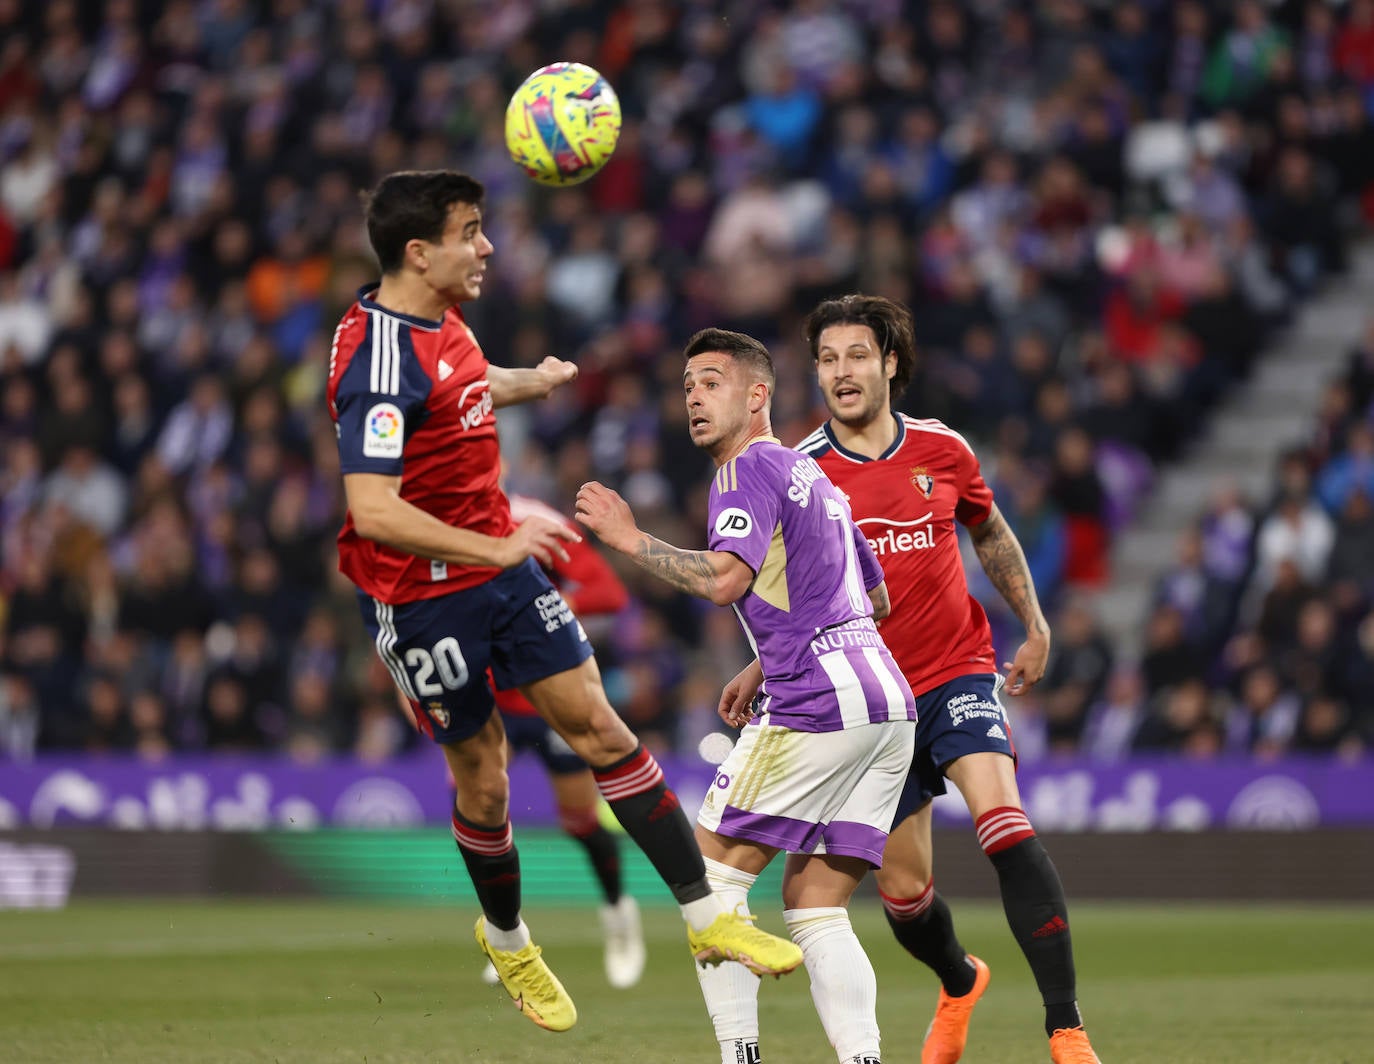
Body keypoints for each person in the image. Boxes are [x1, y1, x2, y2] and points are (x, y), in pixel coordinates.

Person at [325, 170, 803, 1034]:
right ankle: (508, 938)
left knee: (603, 730)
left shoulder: (439, 322)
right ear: (418, 251)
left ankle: (707, 918)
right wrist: (497, 544)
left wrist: (528, 381)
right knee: (485, 776)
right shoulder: (376, 363)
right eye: (472, 231)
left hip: (499, 575)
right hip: (421, 597)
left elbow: (462, 384)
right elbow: (372, 509)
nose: (489, 246)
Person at [724, 294, 1101, 1063]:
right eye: (827, 360)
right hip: (869, 699)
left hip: (957, 669)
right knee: (903, 896)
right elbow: (795, 590)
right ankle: (960, 979)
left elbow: (988, 529)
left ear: (890, 363)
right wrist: (764, 662)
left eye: (857, 355)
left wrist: (1033, 624)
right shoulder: (797, 472)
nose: (841, 372)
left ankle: (1067, 1029)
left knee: (1004, 821)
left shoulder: (942, 450)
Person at [576, 327, 917, 1064]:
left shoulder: (743, 473)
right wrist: (762, 663)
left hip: (819, 703)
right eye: (688, 386)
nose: (694, 398)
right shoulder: (813, 476)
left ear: (757, 395)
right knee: (816, 909)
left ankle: (740, 1057)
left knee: (712, 888)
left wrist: (630, 540)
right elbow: (876, 598)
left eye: (711, 382)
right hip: (886, 701)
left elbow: (727, 580)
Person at [479, 490, 646, 990]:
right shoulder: (439, 524)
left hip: (551, 697)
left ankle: (619, 913)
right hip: (491, 698)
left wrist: (545, 605)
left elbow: (610, 595)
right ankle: (506, 934)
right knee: (482, 813)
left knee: (578, 822)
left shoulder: (535, 521)